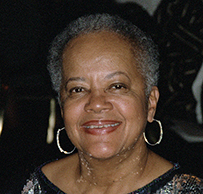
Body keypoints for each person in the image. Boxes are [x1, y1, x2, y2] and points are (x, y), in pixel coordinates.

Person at [22, 13, 203, 193]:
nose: (96, 103)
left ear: (150, 102)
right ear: (62, 107)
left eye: (117, 86)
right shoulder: (34, 185)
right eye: (77, 89)